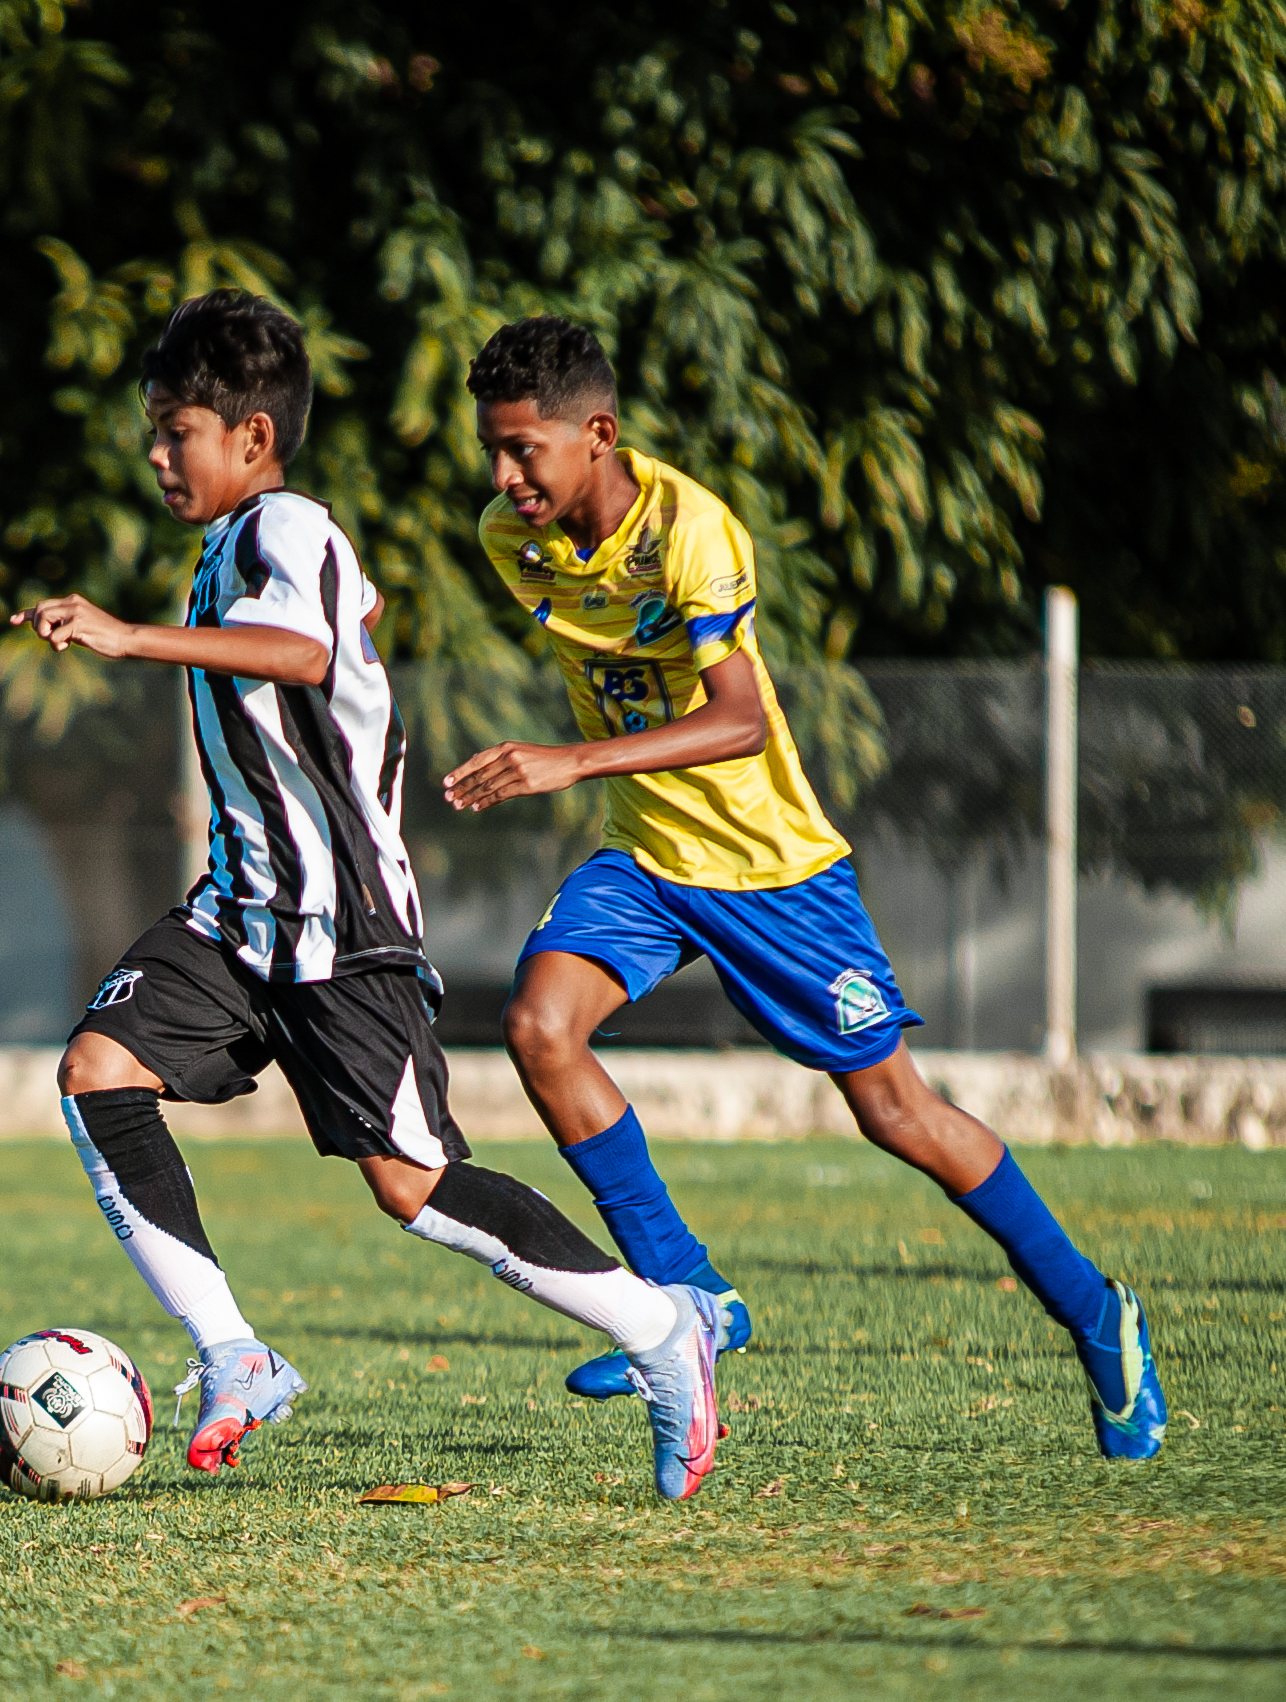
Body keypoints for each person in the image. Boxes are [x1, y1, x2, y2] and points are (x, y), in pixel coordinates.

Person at [13, 290, 722, 1499]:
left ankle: (662, 1329)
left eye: (176, 431)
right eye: (153, 431)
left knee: (415, 1186)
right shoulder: (236, 543)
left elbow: (302, 650)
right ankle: (235, 1355)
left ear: (252, 436)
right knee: (97, 1069)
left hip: (341, 925)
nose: (158, 455)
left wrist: (129, 637)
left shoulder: (287, 524)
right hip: (240, 912)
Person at [443, 315, 1166, 1461]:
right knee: (539, 1026)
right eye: (492, 449)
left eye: (523, 450)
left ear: (599, 434)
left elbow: (738, 720)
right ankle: (691, 1296)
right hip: (646, 856)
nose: (502, 477)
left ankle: (1096, 1313)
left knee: (897, 1114)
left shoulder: (692, 531)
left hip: (773, 867)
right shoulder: (510, 539)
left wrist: (569, 761)